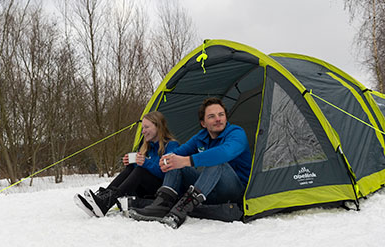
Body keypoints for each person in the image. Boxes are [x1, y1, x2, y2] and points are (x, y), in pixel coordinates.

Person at [129, 97, 252, 228]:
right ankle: (162, 204)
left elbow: (225, 153)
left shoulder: (236, 133)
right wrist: (164, 160)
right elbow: (178, 152)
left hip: (233, 190)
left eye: (221, 115)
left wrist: (187, 161)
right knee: (173, 159)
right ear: (203, 123)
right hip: (207, 189)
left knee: (217, 162)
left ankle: (182, 209)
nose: (218, 119)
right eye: (211, 116)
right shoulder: (201, 136)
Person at [74, 111, 178, 217]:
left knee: (140, 170)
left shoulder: (172, 146)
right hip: (144, 189)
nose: (143, 131)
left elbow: (170, 174)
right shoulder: (147, 146)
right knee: (131, 169)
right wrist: (131, 163)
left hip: (161, 192)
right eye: (142, 128)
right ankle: (103, 198)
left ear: (158, 127)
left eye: (146, 127)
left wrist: (145, 163)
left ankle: (107, 202)